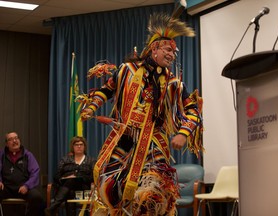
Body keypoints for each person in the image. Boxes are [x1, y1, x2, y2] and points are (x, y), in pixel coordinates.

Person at [80, 13, 204, 215]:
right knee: (110, 188)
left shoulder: (174, 84)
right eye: (168, 50)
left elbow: (193, 110)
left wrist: (183, 133)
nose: (172, 55)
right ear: (154, 48)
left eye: (174, 52)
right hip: (125, 139)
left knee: (153, 193)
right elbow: (107, 89)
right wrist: (91, 106)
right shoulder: (127, 70)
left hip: (154, 143)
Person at [45, 136, 96, 216]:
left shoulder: (91, 160)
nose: (79, 146)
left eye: (81, 144)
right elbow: (57, 176)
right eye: (76, 145)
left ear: (84, 146)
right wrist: (65, 178)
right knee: (70, 189)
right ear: (72, 147)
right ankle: (54, 206)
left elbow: (93, 177)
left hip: (83, 188)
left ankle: (54, 206)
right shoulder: (65, 160)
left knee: (71, 182)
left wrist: (77, 177)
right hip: (67, 189)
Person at [0, 131, 43, 216]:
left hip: (23, 188)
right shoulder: (1, 155)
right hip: (6, 188)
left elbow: (35, 172)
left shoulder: (28, 155)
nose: (14, 141)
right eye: (11, 139)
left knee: (37, 197)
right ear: (7, 144)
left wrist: (27, 186)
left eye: (16, 138)